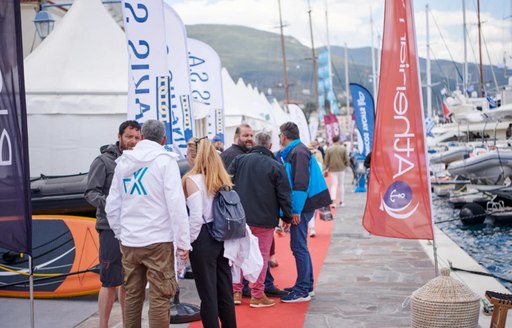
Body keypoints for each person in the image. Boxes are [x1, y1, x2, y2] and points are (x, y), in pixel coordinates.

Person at [105, 120, 191, 328]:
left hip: (130, 241)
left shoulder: (124, 162)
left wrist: (120, 233)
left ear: (142, 136)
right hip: (158, 241)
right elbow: (176, 205)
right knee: (160, 298)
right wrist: (183, 243)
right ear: (164, 139)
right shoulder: (165, 161)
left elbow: (112, 205)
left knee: (133, 296)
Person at [84, 120, 141, 328]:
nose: (133, 141)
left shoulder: (139, 161)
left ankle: (129, 324)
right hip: (109, 227)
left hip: (132, 229)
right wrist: (113, 205)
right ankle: (103, 325)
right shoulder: (103, 161)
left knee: (129, 282)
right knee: (109, 281)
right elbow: (90, 193)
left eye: (137, 137)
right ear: (119, 136)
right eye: (129, 136)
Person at [228, 131, 293, 308]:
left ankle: (236, 291)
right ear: (270, 146)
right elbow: (284, 195)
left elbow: (227, 183)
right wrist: (286, 216)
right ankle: (257, 294)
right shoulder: (275, 165)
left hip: (240, 217)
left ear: (254, 143)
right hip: (265, 219)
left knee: (238, 254)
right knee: (262, 257)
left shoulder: (239, 161)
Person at [182, 136, 237, 327]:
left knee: (208, 294)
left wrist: (186, 243)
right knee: (225, 291)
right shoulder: (220, 176)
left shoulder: (192, 180)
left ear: (193, 156)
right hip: (222, 235)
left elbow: (196, 217)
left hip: (203, 238)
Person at [277, 122, 331, 303]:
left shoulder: (297, 152)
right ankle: (306, 285)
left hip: (304, 204)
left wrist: (295, 210)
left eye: (279, 135)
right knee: (300, 246)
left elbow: (300, 183)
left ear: (284, 136)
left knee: (298, 246)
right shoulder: (299, 150)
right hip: (308, 202)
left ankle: (302, 290)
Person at [324, 134, 350, 207]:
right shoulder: (343, 148)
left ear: (332, 140)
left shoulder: (329, 149)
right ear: (338, 140)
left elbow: (326, 160)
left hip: (332, 169)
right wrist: (346, 165)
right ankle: (341, 201)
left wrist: (325, 168)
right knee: (341, 185)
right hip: (341, 168)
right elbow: (346, 159)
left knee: (334, 185)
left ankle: (333, 201)